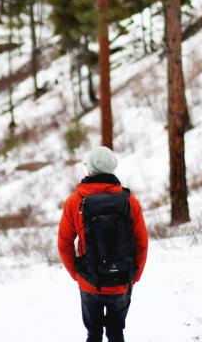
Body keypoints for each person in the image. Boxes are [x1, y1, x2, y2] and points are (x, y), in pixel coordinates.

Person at [58, 146, 148, 342]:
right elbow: (141, 243)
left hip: (89, 282)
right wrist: (134, 275)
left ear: (89, 169)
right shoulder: (129, 201)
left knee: (93, 334)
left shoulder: (75, 202)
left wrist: (77, 274)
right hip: (121, 282)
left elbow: (64, 243)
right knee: (116, 333)